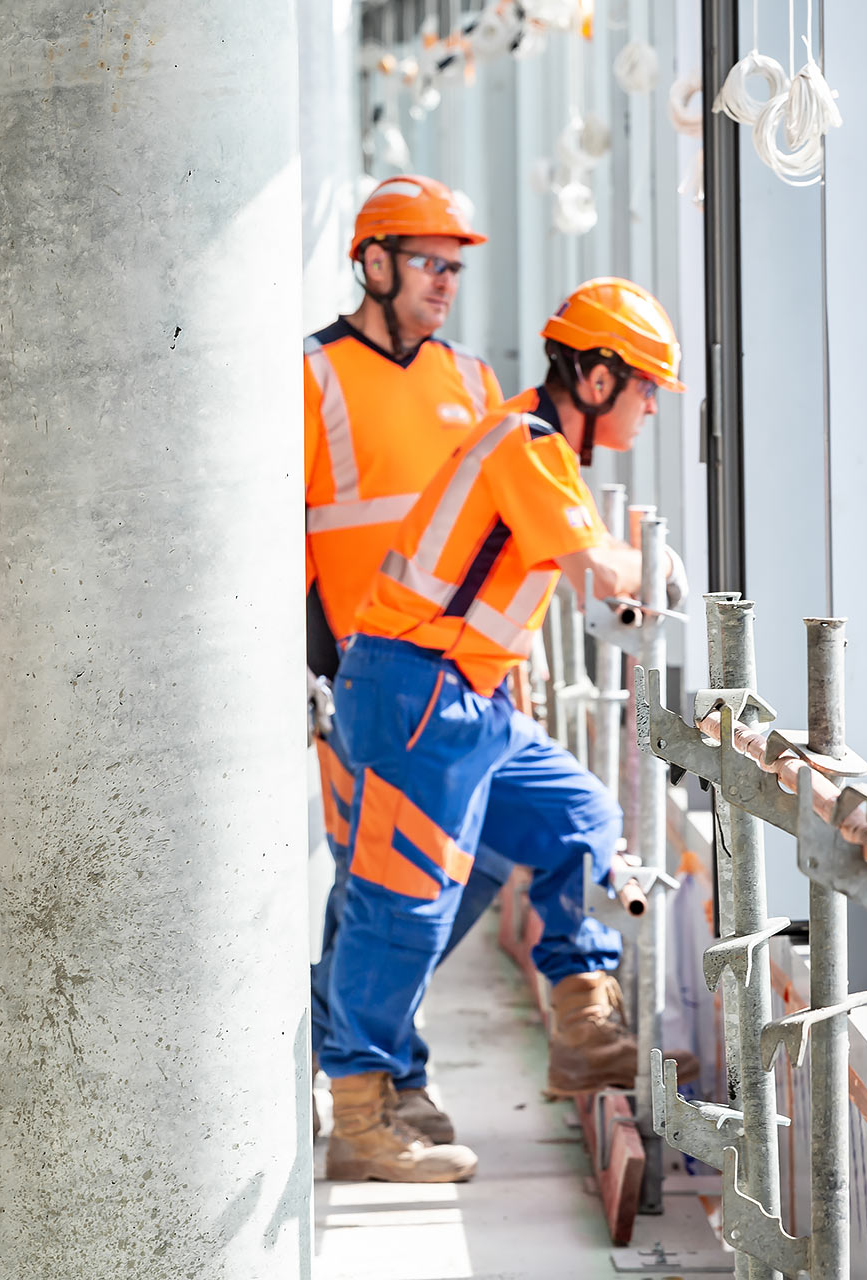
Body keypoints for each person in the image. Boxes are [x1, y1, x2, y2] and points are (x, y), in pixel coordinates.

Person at [319, 278, 689, 1184]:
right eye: (644, 386)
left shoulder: (542, 450)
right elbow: (598, 574)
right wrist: (654, 562)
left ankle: (582, 1024)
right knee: (400, 905)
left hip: (466, 700)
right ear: (597, 380)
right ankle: (362, 1120)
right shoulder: (525, 443)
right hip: (416, 692)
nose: (650, 407)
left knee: (578, 818)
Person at [303, 174, 508, 1148]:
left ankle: (333, 1031)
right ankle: (386, 1081)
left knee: (440, 876)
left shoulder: (471, 381)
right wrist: (309, 679)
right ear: (375, 262)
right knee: (390, 890)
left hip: (465, 692)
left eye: (456, 269)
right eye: (431, 263)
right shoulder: (310, 378)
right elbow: (280, 544)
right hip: (368, 688)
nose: (445, 284)